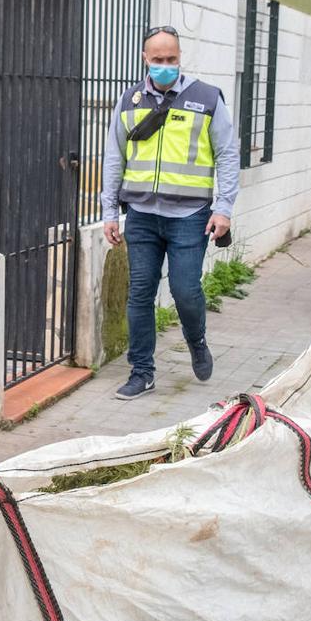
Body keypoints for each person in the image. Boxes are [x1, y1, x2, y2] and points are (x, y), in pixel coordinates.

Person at [100, 26, 240, 400]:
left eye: (171, 59)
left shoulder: (207, 98)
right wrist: (109, 211)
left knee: (185, 290)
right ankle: (141, 372)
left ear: (180, 57)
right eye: (158, 60)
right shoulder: (129, 101)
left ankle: (197, 341)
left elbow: (227, 153)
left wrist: (223, 208)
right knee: (140, 293)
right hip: (142, 214)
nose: (165, 66)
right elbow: (115, 156)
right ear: (145, 59)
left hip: (190, 214)